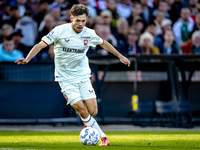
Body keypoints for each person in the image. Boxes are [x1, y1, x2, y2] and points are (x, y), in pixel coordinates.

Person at [15, 4, 130, 146]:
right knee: (81, 109)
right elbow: (40, 45)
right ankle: (102, 137)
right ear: (71, 19)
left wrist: (120, 56)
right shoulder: (59, 31)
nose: (80, 24)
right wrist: (27, 58)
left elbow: (104, 43)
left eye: (83, 21)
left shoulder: (89, 33)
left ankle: (91, 126)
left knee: (93, 111)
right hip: (65, 78)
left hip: (82, 76)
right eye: (78, 21)